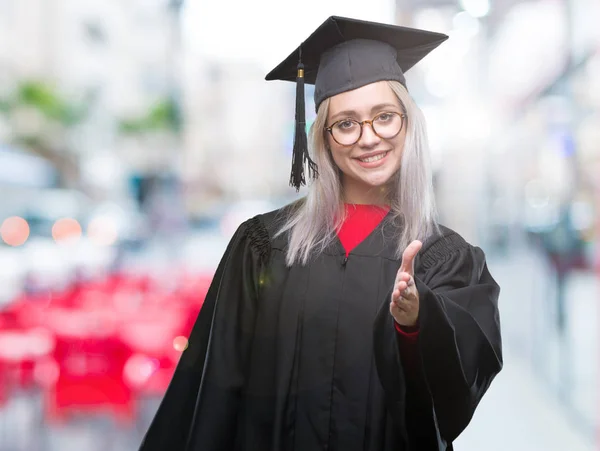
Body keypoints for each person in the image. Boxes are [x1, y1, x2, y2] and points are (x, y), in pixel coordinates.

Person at [138, 15, 502, 451]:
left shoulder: (444, 258)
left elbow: (454, 396)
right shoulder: (262, 246)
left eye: (384, 117)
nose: (368, 138)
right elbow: (215, 390)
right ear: (323, 139)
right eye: (346, 123)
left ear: (409, 125)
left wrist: (416, 322)